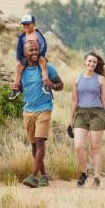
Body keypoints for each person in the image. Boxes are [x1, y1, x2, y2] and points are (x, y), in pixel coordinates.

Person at [20, 40, 63, 188]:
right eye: (31, 50)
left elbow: (61, 85)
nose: (34, 53)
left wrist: (53, 85)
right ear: (25, 52)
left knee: (39, 141)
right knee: (33, 144)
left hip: (44, 108)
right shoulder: (22, 69)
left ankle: (33, 176)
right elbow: (19, 87)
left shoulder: (47, 68)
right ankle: (44, 175)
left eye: (36, 50)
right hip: (28, 110)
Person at [68, 52, 105, 188]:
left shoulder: (100, 79)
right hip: (81, 113)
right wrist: (70, 118)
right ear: (84, 62)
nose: (92, 64)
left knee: (95, 147)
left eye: (94, 62)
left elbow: (104, 99)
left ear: (96, 64)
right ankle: (84, 173)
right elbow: (74, 100)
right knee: (78, 146)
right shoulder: (77, 78)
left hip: (97, 114)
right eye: (89, 61)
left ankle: (97, 177)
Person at [12, 14, 51, 96]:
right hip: (26, 57)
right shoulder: (22, 37)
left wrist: (40, 55)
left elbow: (43, 45)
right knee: (19, 68)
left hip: (37, 55)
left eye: (28, 24)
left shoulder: (38, 34)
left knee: (43, 63)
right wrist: (20, 59)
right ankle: (16, 88)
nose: (26, 26)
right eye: (24, 24)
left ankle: (45, 84)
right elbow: (19, 48)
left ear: (33, 24)